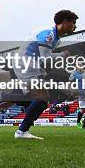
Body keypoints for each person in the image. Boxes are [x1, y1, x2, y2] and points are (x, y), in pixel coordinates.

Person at [13, 10, 78, 140]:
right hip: (26, 64)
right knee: (42, 98)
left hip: (32, 65)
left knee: (43, 101)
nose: (75, 26)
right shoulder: (48, 34)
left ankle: (22, 129)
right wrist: (62, 55)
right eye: (73, 23)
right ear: (64, 22)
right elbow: (45, 59)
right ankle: (21, 131)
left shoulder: (55, 38)